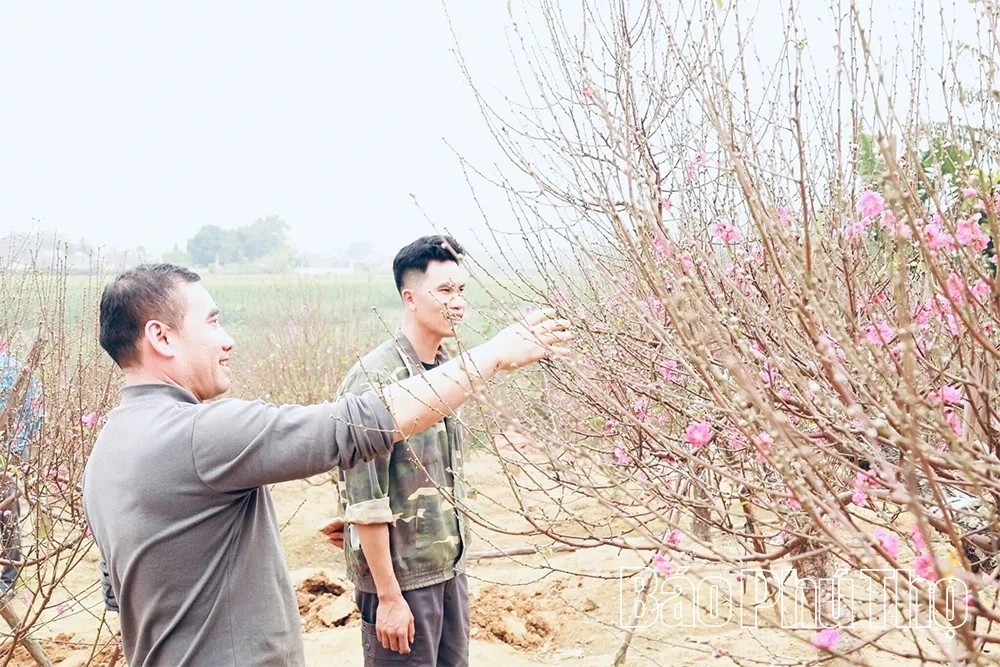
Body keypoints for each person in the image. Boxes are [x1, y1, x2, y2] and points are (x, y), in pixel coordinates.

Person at [82, 262, 571, 667]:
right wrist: (492, 356)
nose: (226, 340)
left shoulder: (107, 452)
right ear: (161, 337)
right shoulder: (200, 433)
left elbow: (128, 587)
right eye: (212, 322)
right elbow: (359, 425)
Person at [331, 235, 478, 665]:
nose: (458, 302)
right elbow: (366, 499)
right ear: (410, 298)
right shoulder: (375, 380)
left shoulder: (448, 371)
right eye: (444, 290)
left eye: (461, 290)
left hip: (448, 569)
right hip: (402, 583)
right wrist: (389, 597)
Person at [0, 338, 43, 598]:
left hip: (10, 448)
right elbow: (37, 415)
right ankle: (8, 580)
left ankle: (7, 580)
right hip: (16, 448)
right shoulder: (20, 369)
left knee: (6, 512)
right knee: (7, 513)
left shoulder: (13, 370)